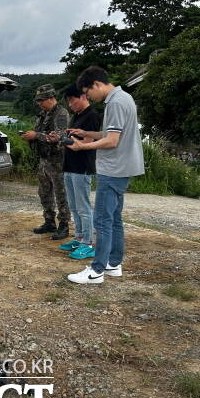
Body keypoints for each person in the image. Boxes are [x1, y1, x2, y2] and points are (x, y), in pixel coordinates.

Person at [65, 66, 144, 284]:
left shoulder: (116, 102)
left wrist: (83, 146)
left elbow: (112, 141)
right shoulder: (124, 98)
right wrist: (87, 134)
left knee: (102, 220)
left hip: (114, 169)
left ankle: (96, 270)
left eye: (88, 92)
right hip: (122, 168)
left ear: (97, 85)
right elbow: (111, 133)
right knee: (114, 218)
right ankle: (113, 263)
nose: (88, 97)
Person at [47, 84, 102, 260]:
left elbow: (86, 142)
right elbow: (71, 139)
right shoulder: (77, 116)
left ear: (84, 97)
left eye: (72, 101)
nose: (70, 105)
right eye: (68, 102)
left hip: (82, 167)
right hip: (69, 165)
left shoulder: (91, 116)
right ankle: (79, 238)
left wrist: (65, 140)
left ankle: (88, 243)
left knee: (83, 207)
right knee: (74, 206)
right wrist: (59, 138)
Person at [21, 84, 70, 240]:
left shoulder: (61, 114)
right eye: (38, 101)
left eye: (42, 100)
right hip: (44, 160)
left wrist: (36, 136)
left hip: (57, 161)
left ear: (51, 98)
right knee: (44, 193)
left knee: (60, 194)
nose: (39, 103)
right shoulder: (43, 114)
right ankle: (49, 222)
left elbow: (58, 136)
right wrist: (32, 136)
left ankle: (64, 225)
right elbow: (41, 132)